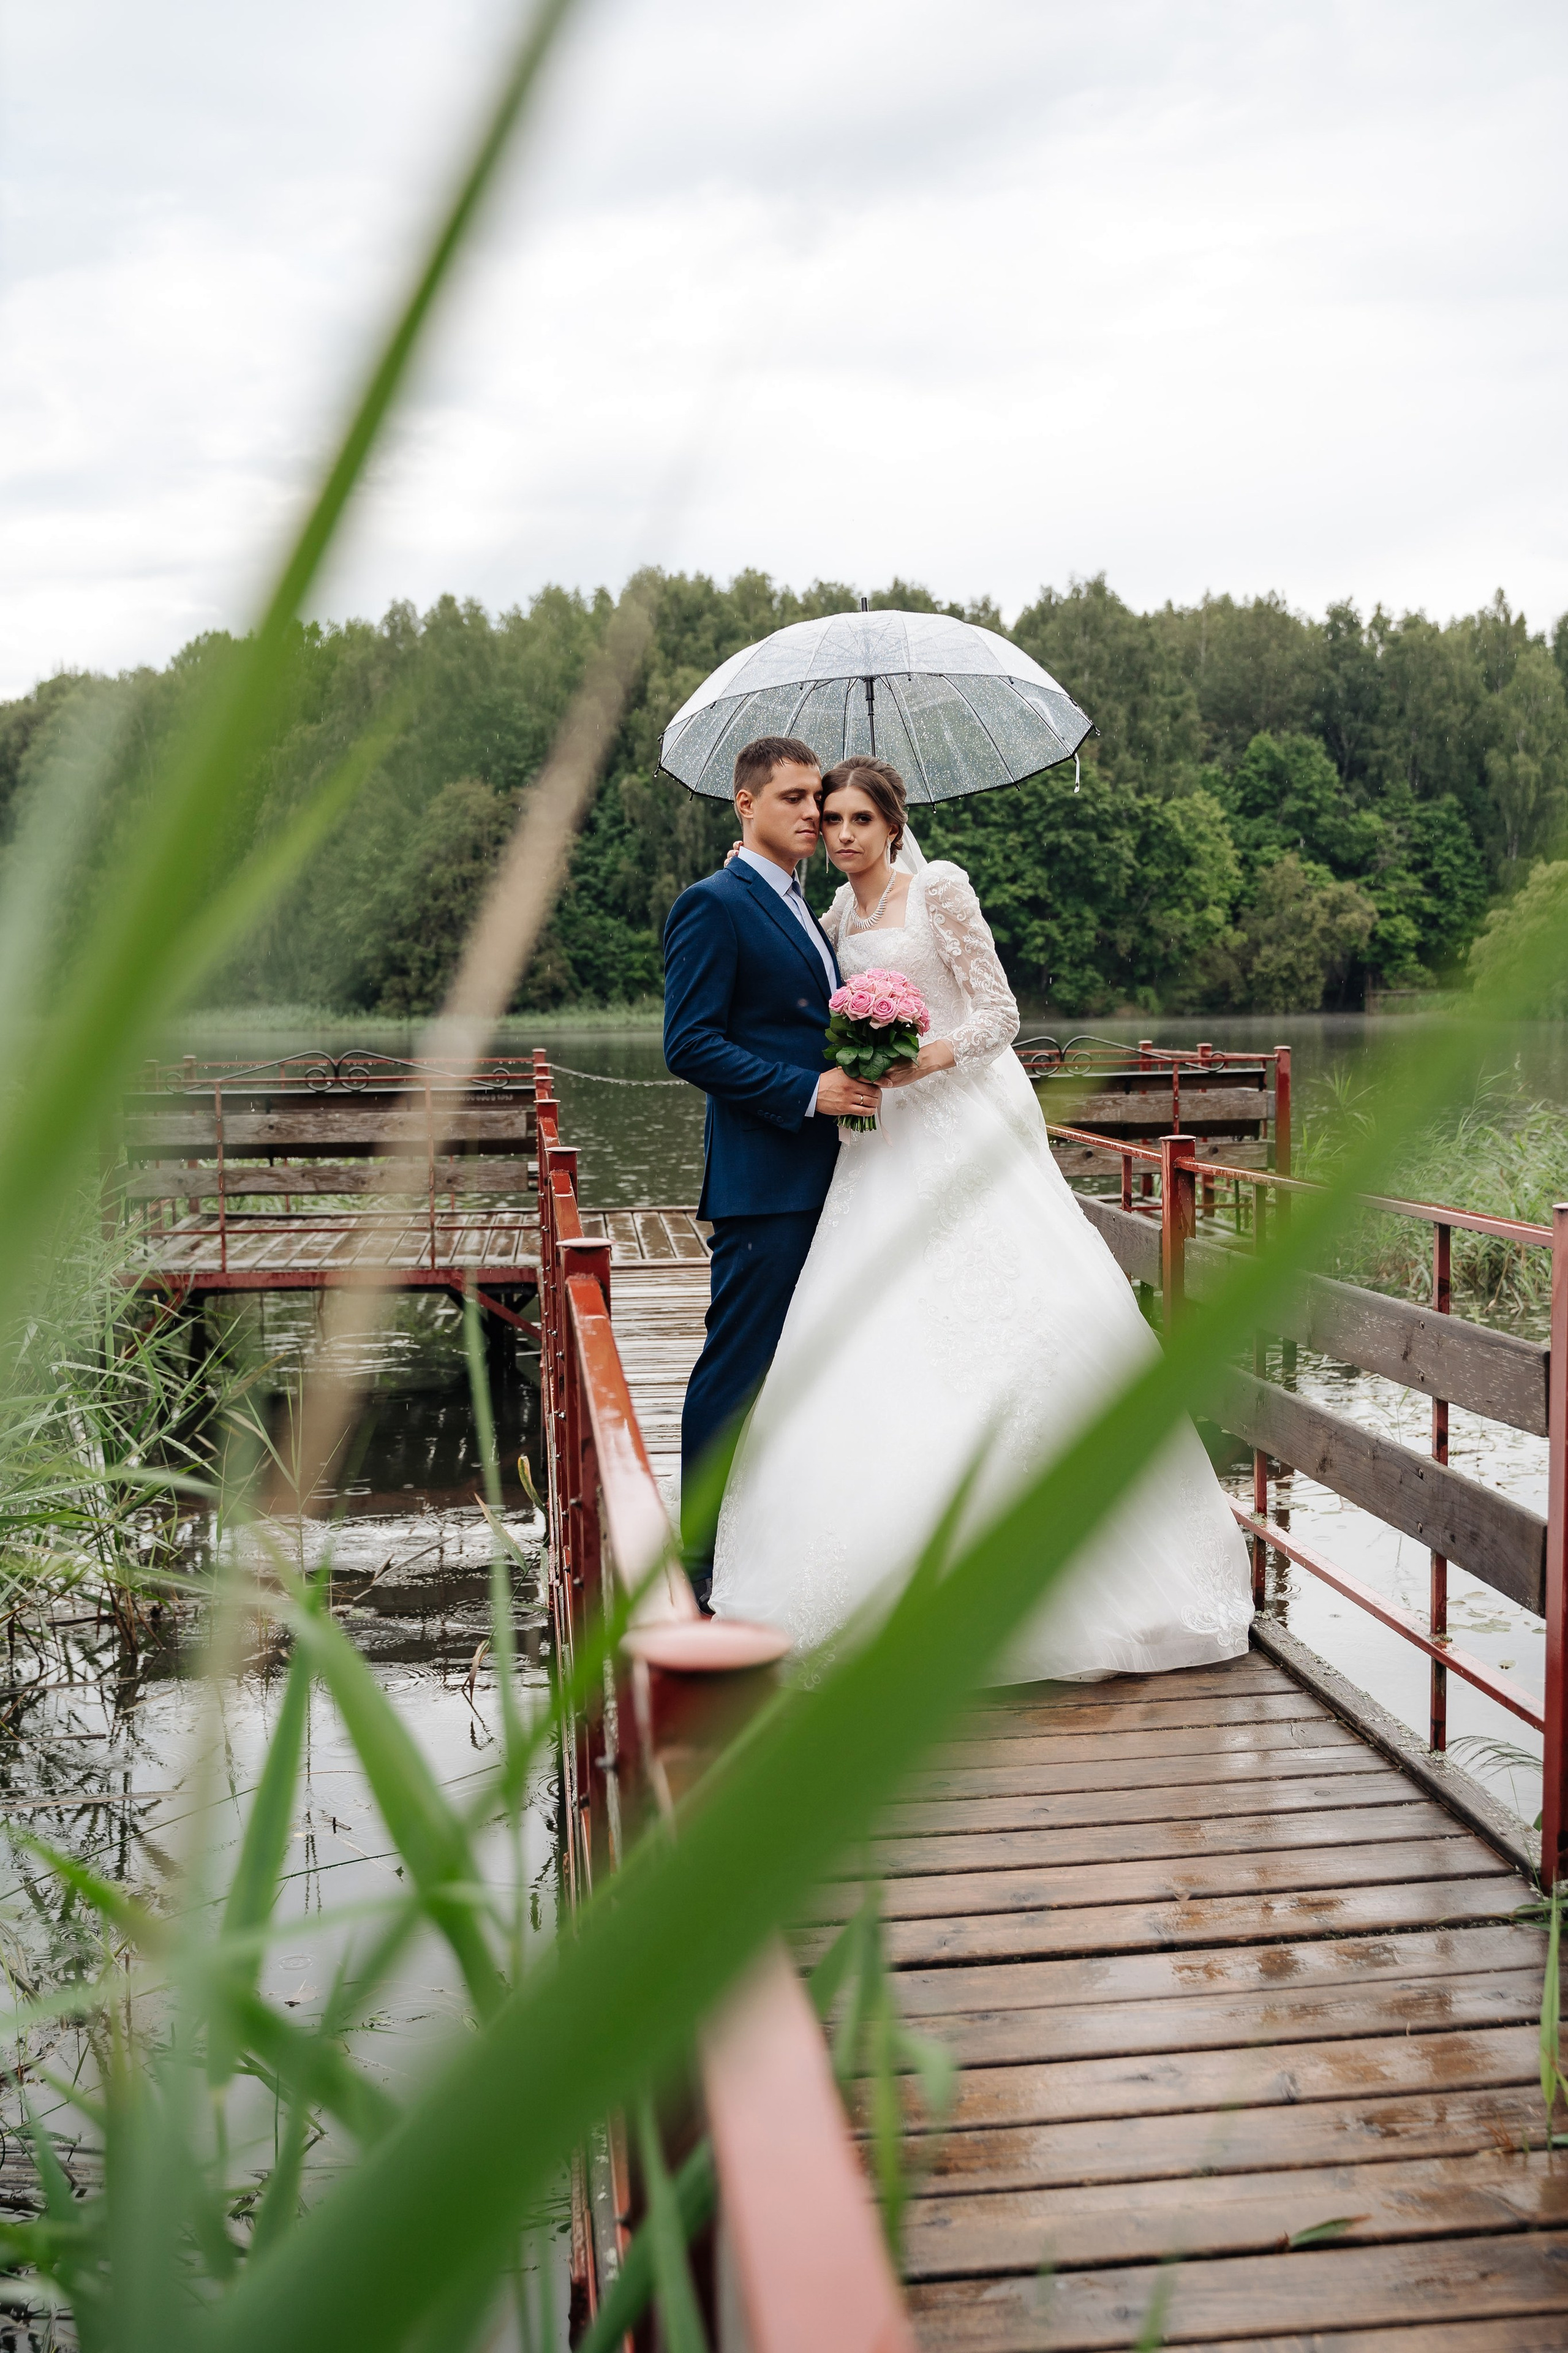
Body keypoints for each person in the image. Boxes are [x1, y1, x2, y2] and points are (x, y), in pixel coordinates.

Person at [709, 755, 1253, 1679]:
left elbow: (1000, 1013)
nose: (842, 833)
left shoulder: (941, 890)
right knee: (878, 1325)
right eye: (830, 818)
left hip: (958, 1120)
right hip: (881, 1144)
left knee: (1012, 1311)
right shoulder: (832, 914)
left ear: (894, 824)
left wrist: (926, 1056)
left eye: (859, 819)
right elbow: (800, 980)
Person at [662, 736, 881, 1607]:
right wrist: (807, 1091)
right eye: (793, 797)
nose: (812, 813)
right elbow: (689, 1043)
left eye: (817, 799)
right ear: (745, 804)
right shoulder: (713, 903)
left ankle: (781, 1541)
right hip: (766, 1181)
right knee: (737, 1367)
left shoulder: (800, 905)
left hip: (827, 1173)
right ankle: (695, 1561)